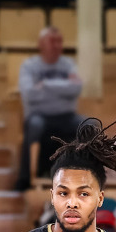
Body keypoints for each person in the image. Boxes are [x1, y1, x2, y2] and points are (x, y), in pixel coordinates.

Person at [16, 26, 84, 190]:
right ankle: (25, 179)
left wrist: (45, 85)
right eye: (52, 41)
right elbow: (30, 94)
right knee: (35, 125)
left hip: (67, 116)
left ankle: (85, 176)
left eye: (59, 41)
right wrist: (62, 90)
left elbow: (76, 88)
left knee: (89, 125)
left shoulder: (69, 64)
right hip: (39, 116)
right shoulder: (29, 66)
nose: (57, 45)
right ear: (41, 44)